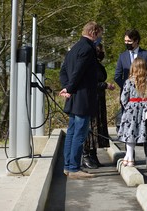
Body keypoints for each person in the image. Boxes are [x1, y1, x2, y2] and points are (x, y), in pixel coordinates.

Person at [59, 21, 103, 179]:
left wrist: (66, 87)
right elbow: (78, 72)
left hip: (73, 98)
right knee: (80, 133)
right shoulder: (87, 49)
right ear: (93, 33)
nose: (100, 38)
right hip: (83, 98)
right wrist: (69, 88)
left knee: (71, 132)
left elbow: (63, 70)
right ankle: (74, 168)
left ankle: (68, 166)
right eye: (99, 35)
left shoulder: (74, 49)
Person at [82, 43, 115, 169]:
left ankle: (93, 153)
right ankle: (85, 155)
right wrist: (106, 85)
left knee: (97, 127)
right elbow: (92, 83)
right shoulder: (90, 66)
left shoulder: (97, 65)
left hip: (99, 100)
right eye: (100, 51)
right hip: (92, 100)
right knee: (91, 127)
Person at [117, 57, 147, 167]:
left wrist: (128, 106)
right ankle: (128, 156)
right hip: (143, 109)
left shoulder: (129, 82)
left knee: (129, 134)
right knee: (137, 133)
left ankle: (130, 157)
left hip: (131, 110)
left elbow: (123, 98)